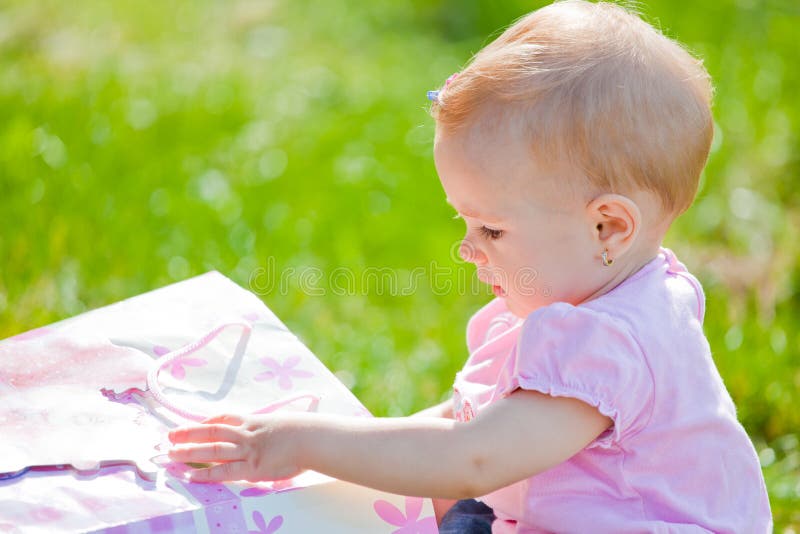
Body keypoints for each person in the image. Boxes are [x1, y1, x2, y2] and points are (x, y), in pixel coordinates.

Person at [168, 1, 772, 531]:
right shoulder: (596, 297)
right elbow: (464, 426)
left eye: (491, 228)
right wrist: (354, 444)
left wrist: (301, 443)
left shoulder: (611, 342)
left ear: (607, 226)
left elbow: (473, 456)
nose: (467, 247)